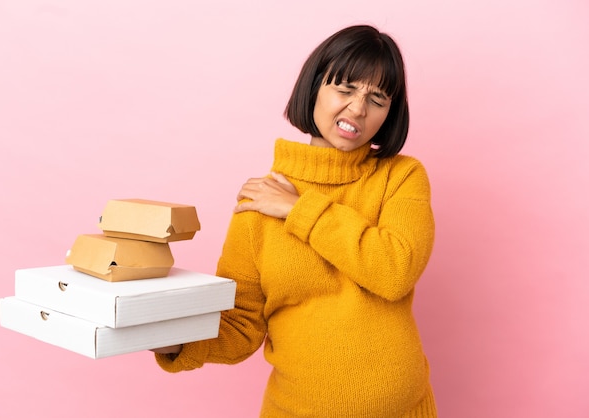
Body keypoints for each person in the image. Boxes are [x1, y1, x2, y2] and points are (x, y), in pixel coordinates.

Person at [152, 24, 437, 417]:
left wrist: (299, 210)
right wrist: (173, 341)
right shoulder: (259, 203)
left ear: (389, 113)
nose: (358, 108)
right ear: (315, 86)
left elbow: (394, 269)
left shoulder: (401, 177)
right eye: (346, 88)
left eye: (377, 98)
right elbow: (240, 325)